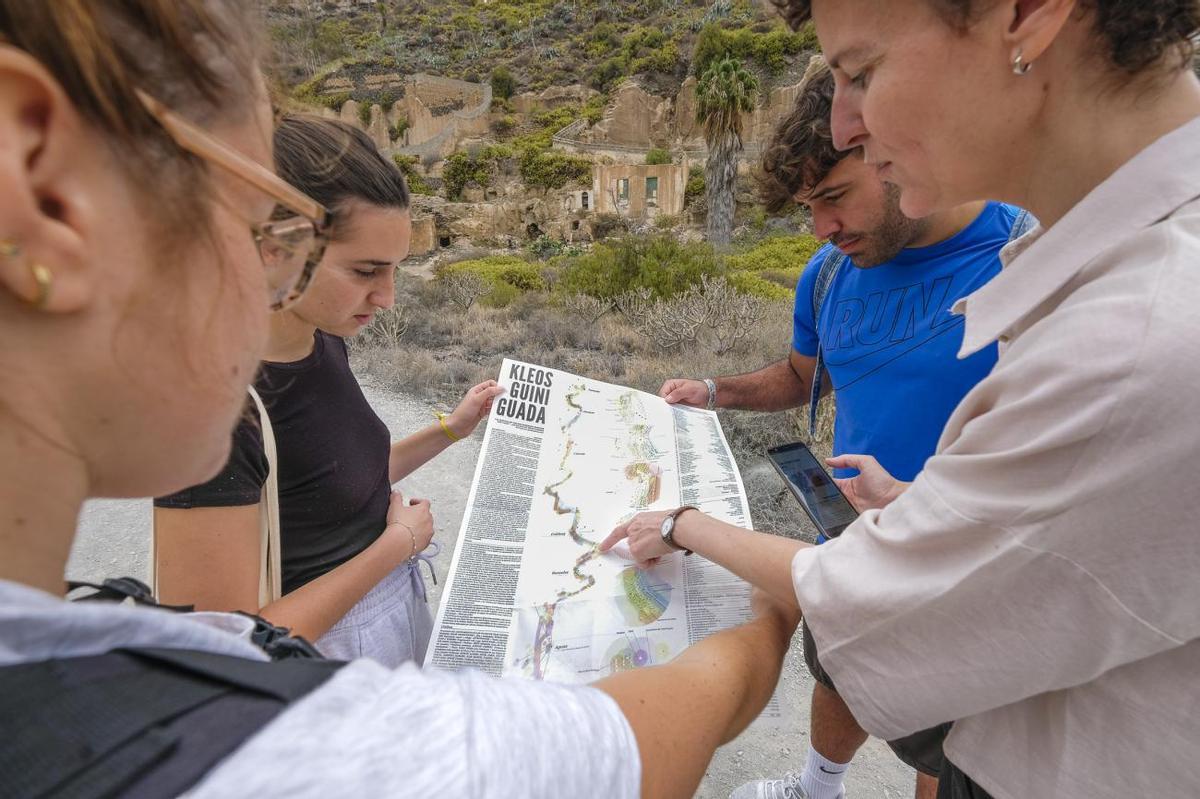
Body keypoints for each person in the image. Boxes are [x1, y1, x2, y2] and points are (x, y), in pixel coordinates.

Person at [0, 3, 798, 798]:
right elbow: (643, 742)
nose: (277, 283)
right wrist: (779, 606)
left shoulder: (85, 667)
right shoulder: (233, 739)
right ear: (40, 185)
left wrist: (448, 431)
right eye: (260, 232)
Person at [606, 1, 1200, 797]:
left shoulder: (1137, 341)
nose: (847, 120)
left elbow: (867, 605)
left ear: (1025, 15)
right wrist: (927, 501)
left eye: (861, 71)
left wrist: (686, 525)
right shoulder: (1114, 274)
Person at [662, 59, 1029, 799]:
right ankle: (817, 786)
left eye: (833, 196)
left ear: (901, 150)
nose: (823, 229)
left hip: (970, 577)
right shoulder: (830, 273)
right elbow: (804, 377)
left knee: (953, 744)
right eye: (808, 207)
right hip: (849, 549)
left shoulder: (1025, 256)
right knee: (837, 670)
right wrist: (715, 391)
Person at [153, 114, 501, 667]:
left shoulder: (322, 338)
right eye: (366, 271)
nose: (386, 297)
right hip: (322, 669)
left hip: (380, 643)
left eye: (395, 271)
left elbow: (334, 486)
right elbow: (221, 652)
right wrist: (396, 547)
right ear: (274, 249)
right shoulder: (217, 409)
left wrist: (449, 430)